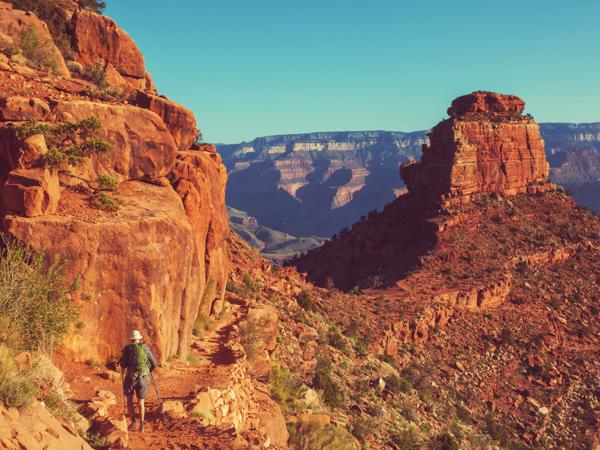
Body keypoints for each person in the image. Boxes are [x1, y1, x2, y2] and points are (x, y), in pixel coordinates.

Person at [119, 329, 157, 432]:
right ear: (139, 339)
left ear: (131, 340)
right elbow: (154, 364)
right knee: (141, 402)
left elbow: (123, 365)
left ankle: (133, 422)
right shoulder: (145, 348)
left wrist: (122, 359)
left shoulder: (127, 349)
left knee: (130, 400)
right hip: (143, 378)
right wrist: (148, 371)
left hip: (131, 378)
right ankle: (142, 425)